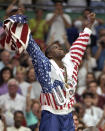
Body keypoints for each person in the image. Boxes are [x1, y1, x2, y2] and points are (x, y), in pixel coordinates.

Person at [1, 11, 95, 131]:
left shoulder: (71, 60)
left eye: (60, 46)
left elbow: (80, 43)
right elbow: (32, 47)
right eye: (55, 47)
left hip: (68, 115)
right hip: (51, 114)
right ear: (49, 54)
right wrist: (20, 25)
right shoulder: (45, 64)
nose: (59, 47)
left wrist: (88, 26)